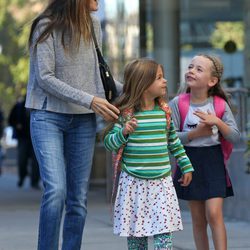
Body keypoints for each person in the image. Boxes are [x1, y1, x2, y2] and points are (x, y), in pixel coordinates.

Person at [25, 0, 121, 249]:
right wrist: (90, 100)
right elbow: (45, 77)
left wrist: (139, 88)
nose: (98, 1)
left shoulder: (92, 24)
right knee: (56, 190)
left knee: (78, 199)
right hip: (48, 116)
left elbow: (99, 71)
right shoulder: (45, 26)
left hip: (83, 120)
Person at [103, 58, 194, 250]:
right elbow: (109, 143)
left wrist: (185, 165)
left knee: (164, 237)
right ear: (143, 85)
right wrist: (123, 132)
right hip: (133, 184)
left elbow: (174, 142)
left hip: (161, 184)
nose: (165, 81)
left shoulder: (164, 112)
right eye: (159, 77)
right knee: (137, 238)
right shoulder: (126, 114)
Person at [169, 54, 240, 250]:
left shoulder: (219, 105)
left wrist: (217, 122)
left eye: (199, 69)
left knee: (214, 213)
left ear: (212, 81)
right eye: (190, 66)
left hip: (213, 161)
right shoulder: (178, 103)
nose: (191, 70)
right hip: (189, 162)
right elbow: (171, 137)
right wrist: (196, 133)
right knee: (198, 220)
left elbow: (234, 136)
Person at [8, 96, 40, 189]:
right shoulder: (19, 106)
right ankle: (22, 176)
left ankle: (34, 182)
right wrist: (16, 125)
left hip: (36, 137)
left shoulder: (38, 105)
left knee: (36, 161)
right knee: (22, 160)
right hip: (23, 139)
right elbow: (10, 119)